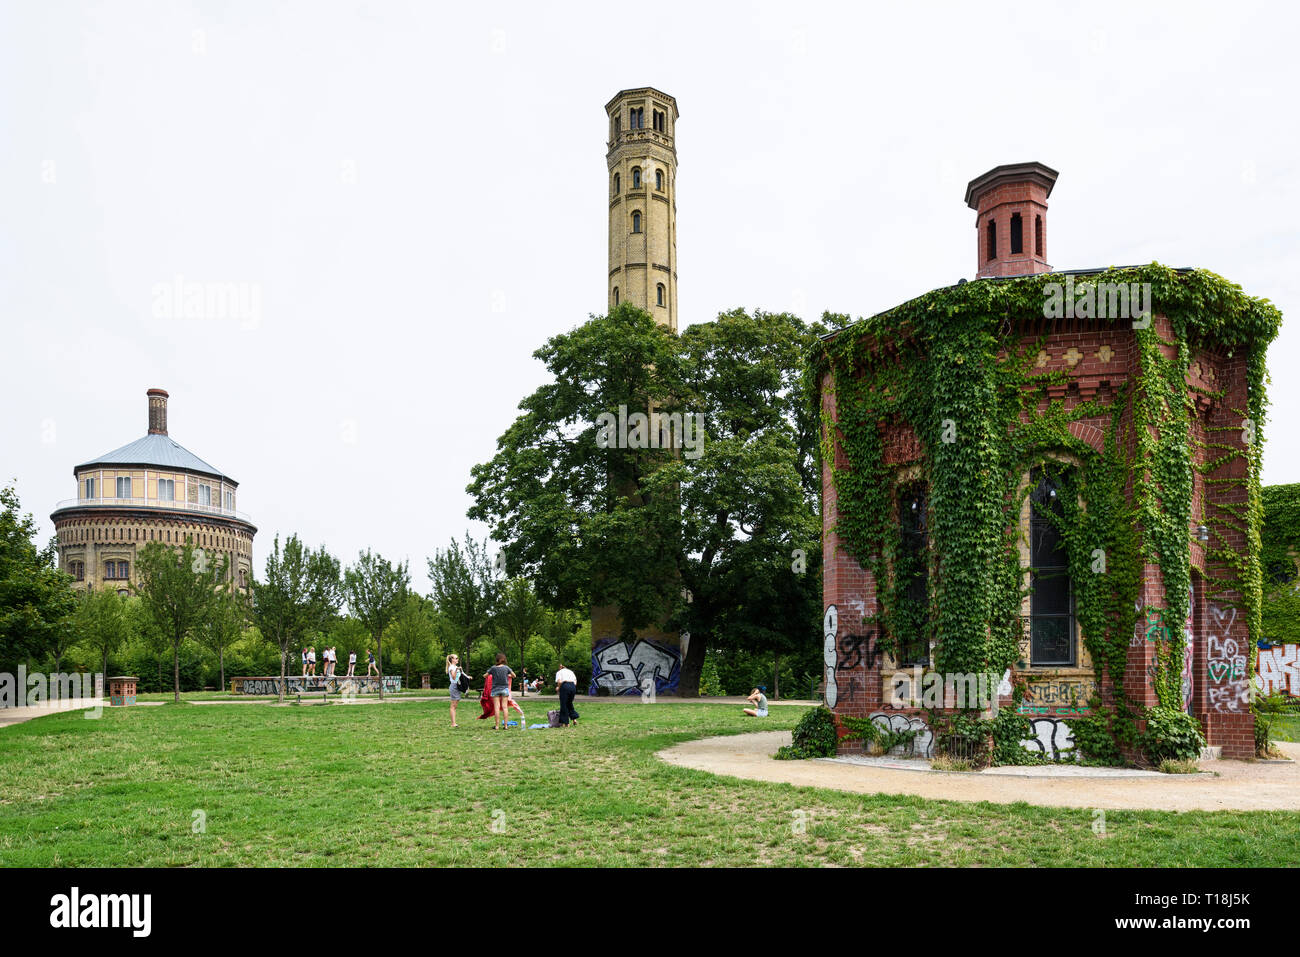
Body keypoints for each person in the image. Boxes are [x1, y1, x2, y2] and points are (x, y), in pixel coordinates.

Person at [487, 653, 515, 730]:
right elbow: (514, 675)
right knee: (505, 707)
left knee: (497, 707)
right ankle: (505, 726)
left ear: (497, 659)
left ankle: (497, 726)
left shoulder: (493, 668)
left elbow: (485, 675)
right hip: (504, 689)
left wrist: (491, 675)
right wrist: (508, 675)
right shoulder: (506, 668)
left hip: (495, 689)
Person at [446, 654, 470, 728]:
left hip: (457, 686)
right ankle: (453, 723)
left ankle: (454, 722)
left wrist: (468, 677)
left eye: (457, 658)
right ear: (452, 660)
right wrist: (456, 670)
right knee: (453, 706)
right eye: (456, 658)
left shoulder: (455, 667)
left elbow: (461, 675)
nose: (457, 659)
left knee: (455, 705)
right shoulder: (452, 667)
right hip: (454, 686)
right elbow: (453, 677)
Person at [554, 662, 579, 727]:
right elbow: (575, 682)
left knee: (564, 704)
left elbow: (559, 681)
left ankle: (566, 723)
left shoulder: (559, 672)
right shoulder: (571, 672)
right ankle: (574, 719)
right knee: (569, 703)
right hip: (573, 686)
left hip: (565, 685)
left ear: (560, 668)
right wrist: (571, 686)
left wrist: (558, 688)